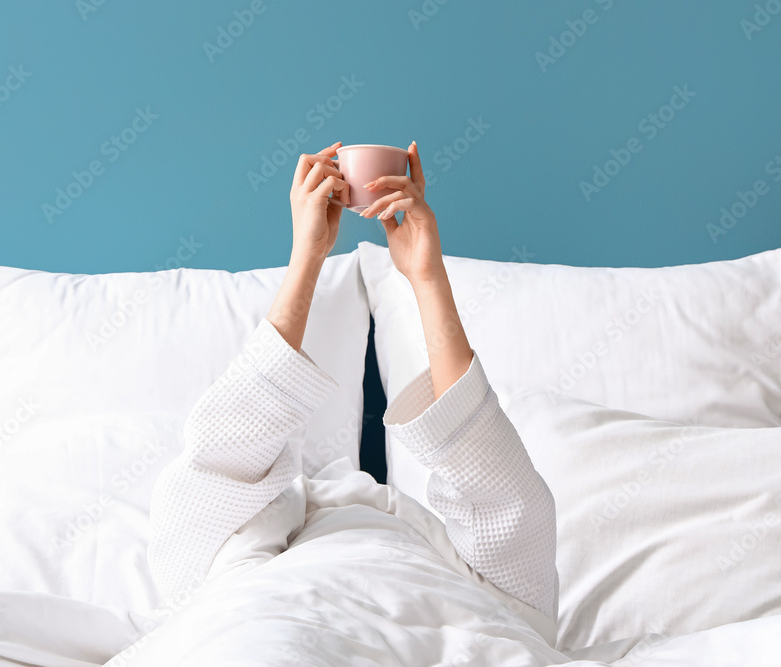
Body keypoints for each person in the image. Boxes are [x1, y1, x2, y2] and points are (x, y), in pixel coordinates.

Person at [143, 140, 559, 660]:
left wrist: (427, 277)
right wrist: (306, 258)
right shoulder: (221, 559)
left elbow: (504, 497)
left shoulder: (475, 582)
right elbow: (223, 455)